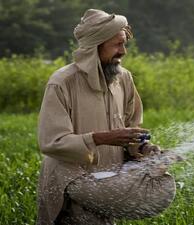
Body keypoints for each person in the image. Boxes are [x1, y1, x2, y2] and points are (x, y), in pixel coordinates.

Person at [36, 9, 180, 225]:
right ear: (95, 47)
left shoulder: (123, 78)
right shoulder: (62, 82)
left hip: (107, 180)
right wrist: (102, 138)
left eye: (124, 44)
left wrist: (143, 149)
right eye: (117, 45)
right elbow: (51, 142)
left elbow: (131, 130)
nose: (123, 51)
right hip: (72, 181)